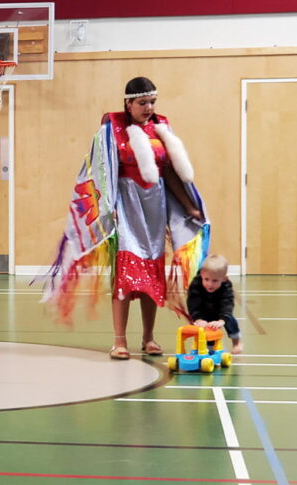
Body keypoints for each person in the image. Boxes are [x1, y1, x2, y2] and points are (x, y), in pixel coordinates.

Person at [41, 76, 210, 360]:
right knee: (126, 275)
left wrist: (188, 206)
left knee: (151, 274)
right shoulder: (111, 130)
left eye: (152, 102)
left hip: (154, 208)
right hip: (126, 207)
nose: (148, 107)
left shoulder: (160, 128)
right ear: (128, 103)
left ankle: (148, 338)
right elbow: (101, 171)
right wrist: (109, 207)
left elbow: (168, 172)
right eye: (142, 102)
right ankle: (119, 341)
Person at [187, 255, 242, 354]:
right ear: (202, 274)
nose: (210, 284)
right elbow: (193, 304)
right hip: (204, 309)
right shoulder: (196, 284)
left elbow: (227, 304)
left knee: (230, 320)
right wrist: (198, 319)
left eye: (215, 281)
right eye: (206, 279)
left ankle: (236, 342)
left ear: (224, 279)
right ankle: (211, 345)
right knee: (207, 325)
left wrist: (222, 320)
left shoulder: (226, 286)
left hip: (219, 308)